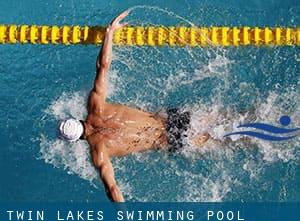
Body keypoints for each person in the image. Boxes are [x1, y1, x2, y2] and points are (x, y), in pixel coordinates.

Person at [58, 11, 210, 202]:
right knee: (226, 118)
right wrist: (109, 33)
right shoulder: (95, 105)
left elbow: (112, 189)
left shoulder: (99, 152)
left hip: (171, 140)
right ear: (76, 119)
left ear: (76, 140)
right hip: (172, 118)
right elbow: (103, 66)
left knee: (227, 141)